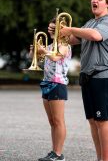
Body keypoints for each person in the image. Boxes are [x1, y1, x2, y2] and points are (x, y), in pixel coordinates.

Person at [57, 0, 108, 161]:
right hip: (88, 76)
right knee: (93, 120)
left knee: (103, 120)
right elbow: (74, 39)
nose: (94, 0)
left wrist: (71, 29)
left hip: (104, 75)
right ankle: (100, 158)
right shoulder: (89, 22)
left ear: (107, 3)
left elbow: (95, 36)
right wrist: (58, 33)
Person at [29, 18, 72, 161]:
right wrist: (34, 52)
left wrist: (43, 51)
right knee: (52, 121)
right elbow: (38, 61)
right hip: (47, 83)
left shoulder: (65, 44)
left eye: (53, 28)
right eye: (49, 27)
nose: (49, 30)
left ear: (61, 30)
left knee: (58, 121)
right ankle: (54, 151)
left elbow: (55, 57)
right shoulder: (50, 45)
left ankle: (58, 154)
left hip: (58, 84)